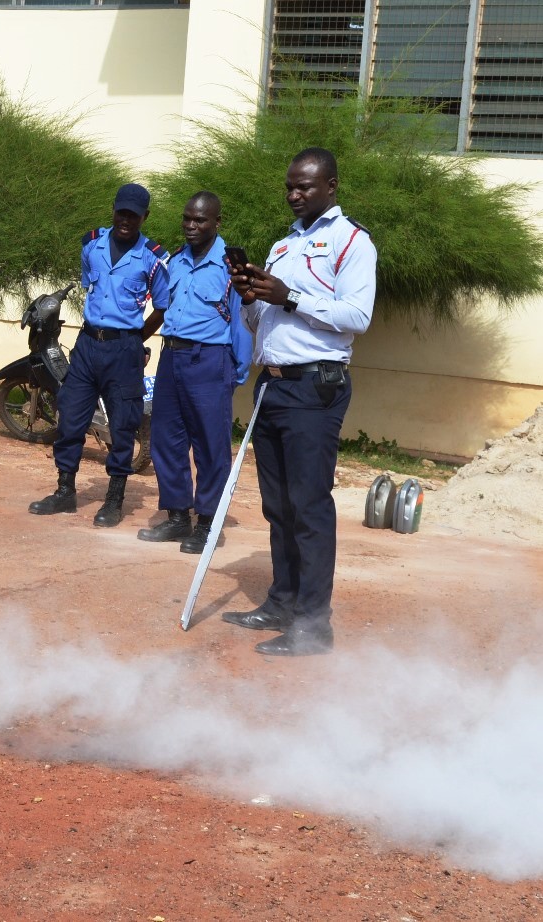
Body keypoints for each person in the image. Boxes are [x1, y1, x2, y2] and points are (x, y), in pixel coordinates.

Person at [224, 147, 376, 657]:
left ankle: (314, 626)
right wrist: (251, 298)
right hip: (273, 385)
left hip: (315, 388)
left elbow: (357, 316)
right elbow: (263, 323)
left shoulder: (352, 241)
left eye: (304, 187)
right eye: (289, 186)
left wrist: (289, 295)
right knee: (279, 506)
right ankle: (281, 604)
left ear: (331, 186)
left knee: (309, 507)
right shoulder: (283, 244)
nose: (293, 195)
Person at [28, 183, 169, 526]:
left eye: (133, 216)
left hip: (124, 350)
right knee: (71, 417)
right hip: (88, 345)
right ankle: (65, 491)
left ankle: (114, 500)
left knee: (123, 425)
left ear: (144, 217)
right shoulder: (91, 244)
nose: (126, 220)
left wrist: (135, 339)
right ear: (113, 211)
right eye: (121, 213)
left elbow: (163, 306)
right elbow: (90, 284)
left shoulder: (152, 258)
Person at [138, 191, 250, 552]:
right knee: (166, 439)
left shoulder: (232, 267)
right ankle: (177, 517)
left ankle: (206, 524)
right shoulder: (176, 260)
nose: (191, 225)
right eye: (187, 218)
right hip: (171, 357)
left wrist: (236, 372)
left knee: (210, 445)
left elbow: (243, 321)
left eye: (200, 220)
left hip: (209, 360)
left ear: (217, 222)